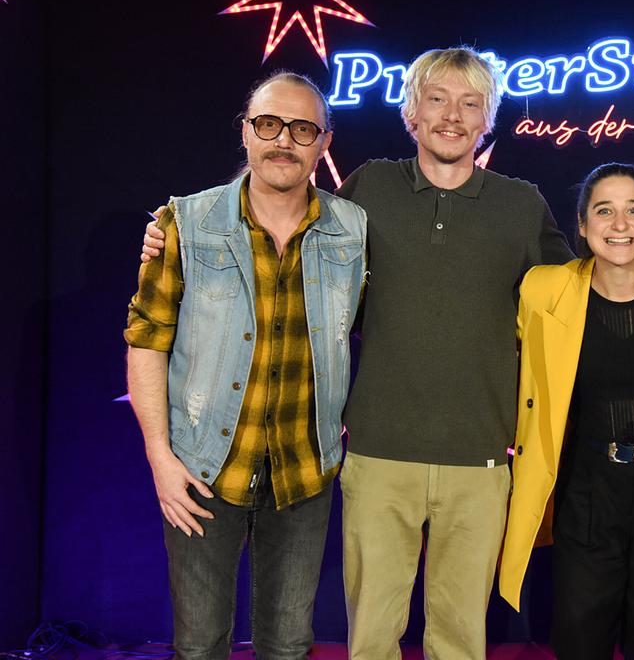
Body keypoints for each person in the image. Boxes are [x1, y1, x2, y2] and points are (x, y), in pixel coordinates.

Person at [142, 47, 573, 660]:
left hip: (481, 460)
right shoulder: (367, 191)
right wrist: (169, 233)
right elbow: (280, 217)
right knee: (370, 640)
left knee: (460, 641)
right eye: (437, 100)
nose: (452, 116)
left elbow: (574, 299)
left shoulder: (522, 205)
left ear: (488, 121)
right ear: (410, 115)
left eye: (470, 104)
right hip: (374, 458)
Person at [124, 71, 366, 660]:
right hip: (202, 470)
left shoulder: (353, 230)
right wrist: (160, 458)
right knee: (201, 645)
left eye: (303, 128)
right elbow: (146, 341)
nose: (284, 139)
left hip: (304, 472)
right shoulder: (186, 222)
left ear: (325, 143)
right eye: (268, 124)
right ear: (245, 133)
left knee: (287, 645)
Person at [499, 163, 634, 659]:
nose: (620, 224)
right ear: (582, 224)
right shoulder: (543, 290)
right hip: (586, 489)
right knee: (579, 636)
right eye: (604, 211)